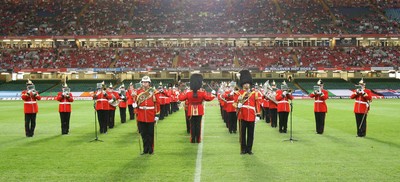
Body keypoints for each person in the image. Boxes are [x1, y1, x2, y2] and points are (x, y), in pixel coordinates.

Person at [179, 74, 215, 143]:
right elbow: (208, 98)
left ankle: (192, 139)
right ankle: (198, 139)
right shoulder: (202, 93)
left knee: (192, 125)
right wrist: (213, 95)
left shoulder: (189, 93)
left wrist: (181, 93)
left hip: (191, 110)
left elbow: (181, 98)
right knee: (198, 125)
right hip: (199, 109)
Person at [234, 70, 261, 155]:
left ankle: (249, 149)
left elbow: (257, 104)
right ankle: (243, 149)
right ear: (242, 84)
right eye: (245, 83)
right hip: (242, 115)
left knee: (251, 134)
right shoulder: (238, 93)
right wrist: (238, 105)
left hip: (252, 115)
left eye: (248, 83)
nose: (246, 85)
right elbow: (234, 103)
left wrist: (258, 115)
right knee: (242, 134)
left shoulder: (254, 93)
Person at [132, 76, 160, 155]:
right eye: (144, 82)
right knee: (143, 133)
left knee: (150, 133)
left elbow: (157, 103)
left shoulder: (154, 92)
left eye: (146, 82)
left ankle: (151, 149)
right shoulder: (138, 92)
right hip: (141, 114)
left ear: (149, 83)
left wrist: (157, 115)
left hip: (150, 114)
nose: (145, 84)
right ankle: (145, 149)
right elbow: (135, 102)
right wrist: (134, 104)